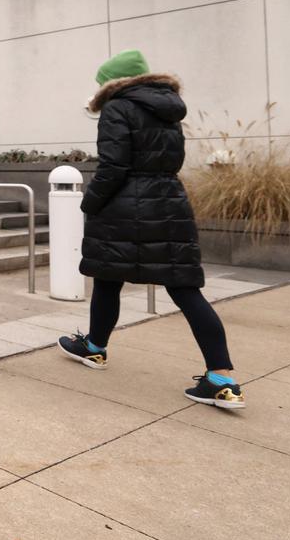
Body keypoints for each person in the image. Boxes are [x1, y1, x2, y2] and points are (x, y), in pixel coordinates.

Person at [58, 50, 245, 409]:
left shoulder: (117, 107)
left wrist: (89, 203)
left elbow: (113, 167)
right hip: (169, 201)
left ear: (111, 83)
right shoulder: (169, 109)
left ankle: (95, 349)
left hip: (124, 206)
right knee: (185, 289)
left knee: (108, 278)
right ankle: (222, 379)